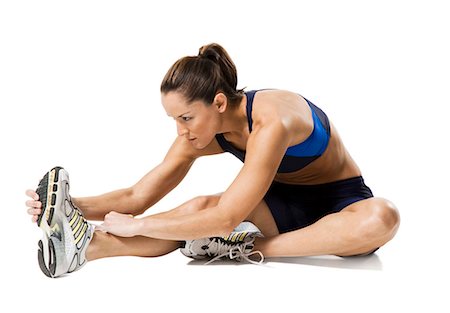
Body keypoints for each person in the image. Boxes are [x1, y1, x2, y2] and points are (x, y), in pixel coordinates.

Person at [25, 43, 400, 278]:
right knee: (196, 209)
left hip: (343, 204)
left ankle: (243, 247)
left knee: (383, 217)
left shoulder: (272, 121)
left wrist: (139, 225)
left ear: (219, 103)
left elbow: (225, 219)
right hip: (282, 205)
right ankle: (85, 248)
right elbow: (137, 195)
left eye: (185, 118)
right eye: (174, 120)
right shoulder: (204, 132)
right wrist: (67, 206)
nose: (180, 131)